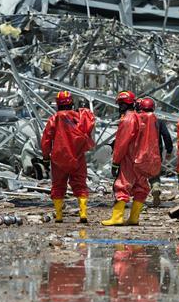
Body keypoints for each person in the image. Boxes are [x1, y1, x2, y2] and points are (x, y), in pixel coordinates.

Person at [41, 91, 96, 223]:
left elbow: (46, 139)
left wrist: (45, 156)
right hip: (77, 157)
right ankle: (83, 214)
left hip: (59, 158)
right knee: (80, 186)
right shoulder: (80, 116)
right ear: (71, 102)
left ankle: (59, 216)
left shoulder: (54, 118)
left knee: (58, 186)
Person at [102, 90, 149, 226]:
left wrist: (116, 162)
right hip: (141, 158)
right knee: (141, 187)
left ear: (122, 104)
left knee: (121, 187)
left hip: (129, 159)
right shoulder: (140, 117)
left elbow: (122, 143)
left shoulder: (127, 119)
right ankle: (134, 218)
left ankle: (117, 218)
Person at [136, 97, 172, 207]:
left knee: (140, 176)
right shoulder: (159, 121)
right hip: (155, 153)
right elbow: (166, 136)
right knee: (154, 175)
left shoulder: (137, 119)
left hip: (139, 153)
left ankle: (139, 200)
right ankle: (155, 187)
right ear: (153, 108)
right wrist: (169, 150)